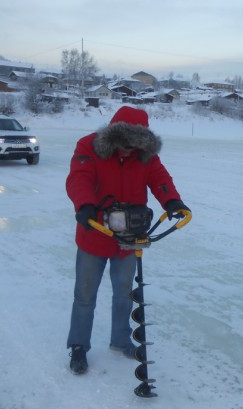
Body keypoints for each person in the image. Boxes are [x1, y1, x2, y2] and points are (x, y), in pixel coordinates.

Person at [65, 106, 190, 375]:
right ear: (113, 137)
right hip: (95, 233)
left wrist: (172, 200)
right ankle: (78, 346)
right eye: (124, 145)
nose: (127, 152)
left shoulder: (145, 155)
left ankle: (121, 342)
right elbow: (79, 177)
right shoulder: (89, 146)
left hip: (130, 236)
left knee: (124, 294)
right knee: (85, 295)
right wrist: (84, 205)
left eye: (134, 147)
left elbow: (159, 178)